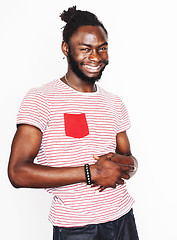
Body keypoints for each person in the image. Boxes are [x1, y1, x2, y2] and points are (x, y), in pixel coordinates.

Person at [8, 6, 139, 240]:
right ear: (66, 49)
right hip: (77, 229)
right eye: (85, 49)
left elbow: (129, 160)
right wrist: (91, 172)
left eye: (102, 48)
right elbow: (17, 172)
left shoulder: (114, 102)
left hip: (123, 218)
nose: (96, 57)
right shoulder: (41, 98)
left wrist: (124, 164)